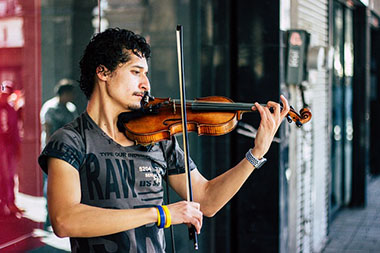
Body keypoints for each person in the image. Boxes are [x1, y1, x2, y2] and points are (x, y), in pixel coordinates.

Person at [38, 28, 290, 252]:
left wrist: (256, 152)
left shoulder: (159, 139)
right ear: (103, 72)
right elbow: (64, 220)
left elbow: (207, 200)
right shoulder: (69, 142)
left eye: (145, 74)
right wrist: (162, 213)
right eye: (136, 72)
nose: (146, 83)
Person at [40, 78, 78, 229]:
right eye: (71, 93)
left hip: (68, 152)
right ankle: (49, 215)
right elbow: (47, 130)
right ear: (64, 93)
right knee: (51, 184)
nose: (73, 97)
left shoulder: (71, 108)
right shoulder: (50, 108)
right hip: (53, 151)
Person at [0, 80, 23, 216]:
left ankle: (10, 202)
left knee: (10, 176)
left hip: (9, 147)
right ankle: (3, 203)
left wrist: (17, 147)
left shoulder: (11, 109)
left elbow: (15, 130)